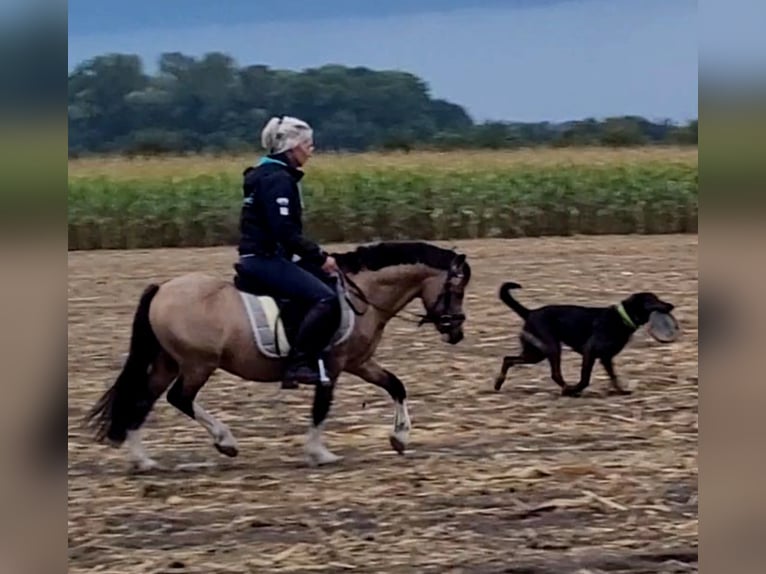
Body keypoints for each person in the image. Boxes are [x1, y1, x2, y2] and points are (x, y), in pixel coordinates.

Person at [237, 115, 341, 388]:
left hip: (265, 256)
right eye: (308, 144)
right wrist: (319, 256)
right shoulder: (278, 179)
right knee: (326, 299)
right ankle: (298, 364)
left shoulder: (267, 174)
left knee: (320, 283)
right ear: (293, 147)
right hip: (265, 259)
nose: (311, 149)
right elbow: (284, 231)